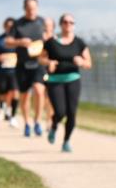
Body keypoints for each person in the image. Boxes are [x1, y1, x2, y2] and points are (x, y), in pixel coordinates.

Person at [39, 13, 92, 153]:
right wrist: (49, 62)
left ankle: (66, 141)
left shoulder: (79, 43)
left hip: (73, 79)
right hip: (55, 80)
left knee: (71, 113)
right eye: (65, 22)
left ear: (74, 25)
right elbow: (41, 59)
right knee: (60, 111)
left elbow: (89, 63)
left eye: (71, 22)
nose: (68, 24)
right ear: (61, 24)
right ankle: (54, 125)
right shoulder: (51, 42)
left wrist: (81, 62)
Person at [5, 0, 48, 138]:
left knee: (39, 90)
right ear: (24, 9)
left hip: (38, 63)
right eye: (29, 8)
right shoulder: (18, 24)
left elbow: (49, 37)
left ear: (37, 8)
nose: (31, 11)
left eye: (34, 8)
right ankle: (27, 123)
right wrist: (19, 42)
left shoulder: (42, 22)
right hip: (22, 64)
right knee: (24, 95)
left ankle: (37, 121)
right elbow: (8, 41)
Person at [42, 16, 56, 129]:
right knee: (41, 95)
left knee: (50, 96)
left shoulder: (56, 39)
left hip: (52, 71)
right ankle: (39, 117)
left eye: (49, 25)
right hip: (39, 69)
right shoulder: (38, 39)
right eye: (45, 25)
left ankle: (49, 120)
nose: (46, 27)